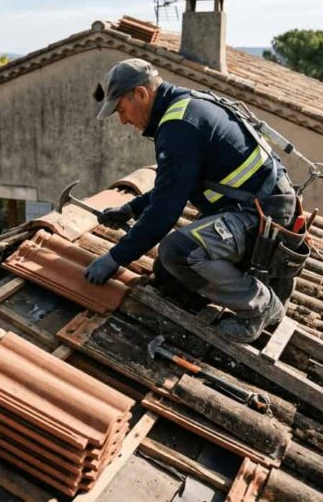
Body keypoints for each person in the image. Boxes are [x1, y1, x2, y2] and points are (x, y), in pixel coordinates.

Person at [84, 58, 298, 343]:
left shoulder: (178, 126)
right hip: (262, 210)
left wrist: (114, 258)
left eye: (122, 110)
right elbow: (177, 187)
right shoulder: (187, 105)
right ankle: (248, 289)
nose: (123, 120)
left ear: (141, 94)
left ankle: (260, 305)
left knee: (178, 250)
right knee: (168, 275)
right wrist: (131, 209)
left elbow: (165, 212)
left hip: (261, 218)